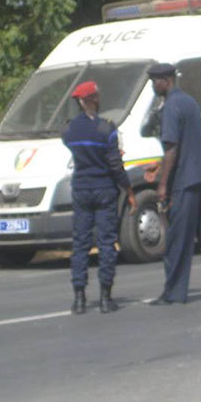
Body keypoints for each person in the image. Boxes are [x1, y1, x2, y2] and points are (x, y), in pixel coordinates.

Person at [143, 63, 201, 305]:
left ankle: (174, 293)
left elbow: (172, 148)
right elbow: (188, 143)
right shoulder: (188, 101)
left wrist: (163, 185)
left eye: (155, 81)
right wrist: (159, 165)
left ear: (166, 80)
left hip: (186, 180)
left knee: (178, 238)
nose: (153, 85)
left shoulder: (171, 106)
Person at [61, 80, 137, 314]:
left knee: (81, 244)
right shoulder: (107, 129)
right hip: (104, 190)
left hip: (81, 189)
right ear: (93, 99)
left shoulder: (69, 129)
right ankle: (105, 298)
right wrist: (129, 189)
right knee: (106, 243)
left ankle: (80, 298)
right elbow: (115, 164)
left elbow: (70, 145)